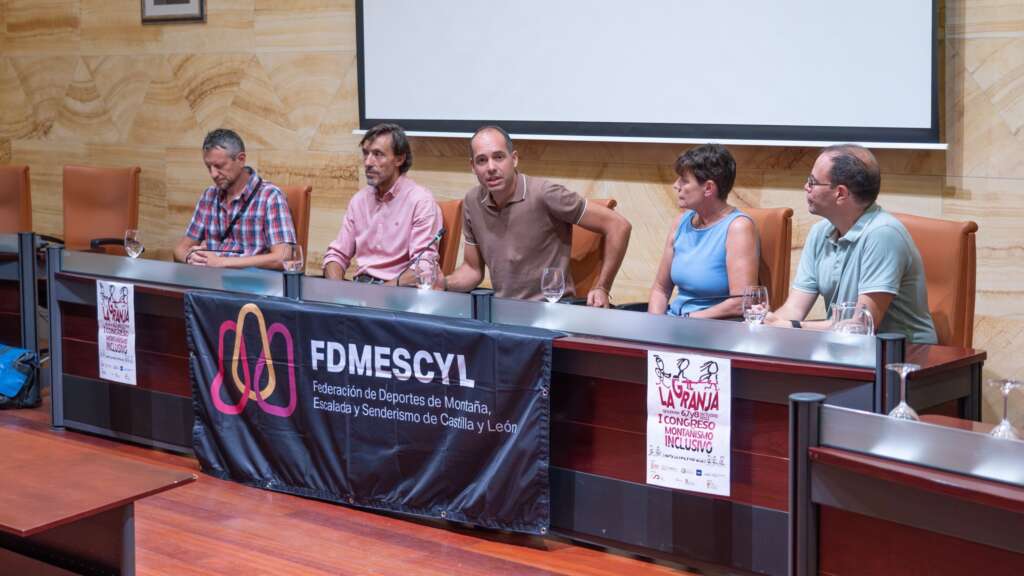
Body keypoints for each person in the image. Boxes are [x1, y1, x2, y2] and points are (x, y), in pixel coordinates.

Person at [765, 144, 937, 343]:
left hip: (905, 357)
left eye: (813, 181)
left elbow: (861, 325)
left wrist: (793, 327)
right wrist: (769, 324)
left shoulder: (883, 234)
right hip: (847, 350)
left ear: (840, 193)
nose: (806, 187)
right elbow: (794, 308)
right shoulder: (819, 232)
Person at [445, 126, 631, 306]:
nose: (491, 167)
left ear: (514, 159)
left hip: (552, 311)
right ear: (473, 167)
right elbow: (472, 270)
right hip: (504, 314)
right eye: (482, 160)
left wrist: (602, 288)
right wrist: (441, 283)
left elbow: (618, 226)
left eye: (499, 157)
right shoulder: (472, 201)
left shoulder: (545, 194)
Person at [647, 144, 758, 318]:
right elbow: (660, 289)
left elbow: (741, 302)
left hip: (712, 329)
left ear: (708, 188)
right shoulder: (680, 221)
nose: (676, 185)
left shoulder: (738, 228)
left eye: (684, 180)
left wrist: (689, 320)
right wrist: (655, 326)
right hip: (675, 324)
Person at [322, 123, 442, 284]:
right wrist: (336, 289)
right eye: (366, 153)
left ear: (399, 159)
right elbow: (337, 255)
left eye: (378, 154)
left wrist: (379, 294)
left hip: (399, 292)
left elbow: (422, 269)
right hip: (360, 290)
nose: (368, 162)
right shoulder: (359, 200)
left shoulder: (420, 201)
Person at [173, 129, 296, 269]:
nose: (213, 174)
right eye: (209, 167)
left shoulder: (270, 196)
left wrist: (222, 262)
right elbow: (180, 250)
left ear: (241, 159)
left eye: (219, 166)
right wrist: (191, 258)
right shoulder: (209, 196)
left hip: (251, 284)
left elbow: (283, 257)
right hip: (210, 282)